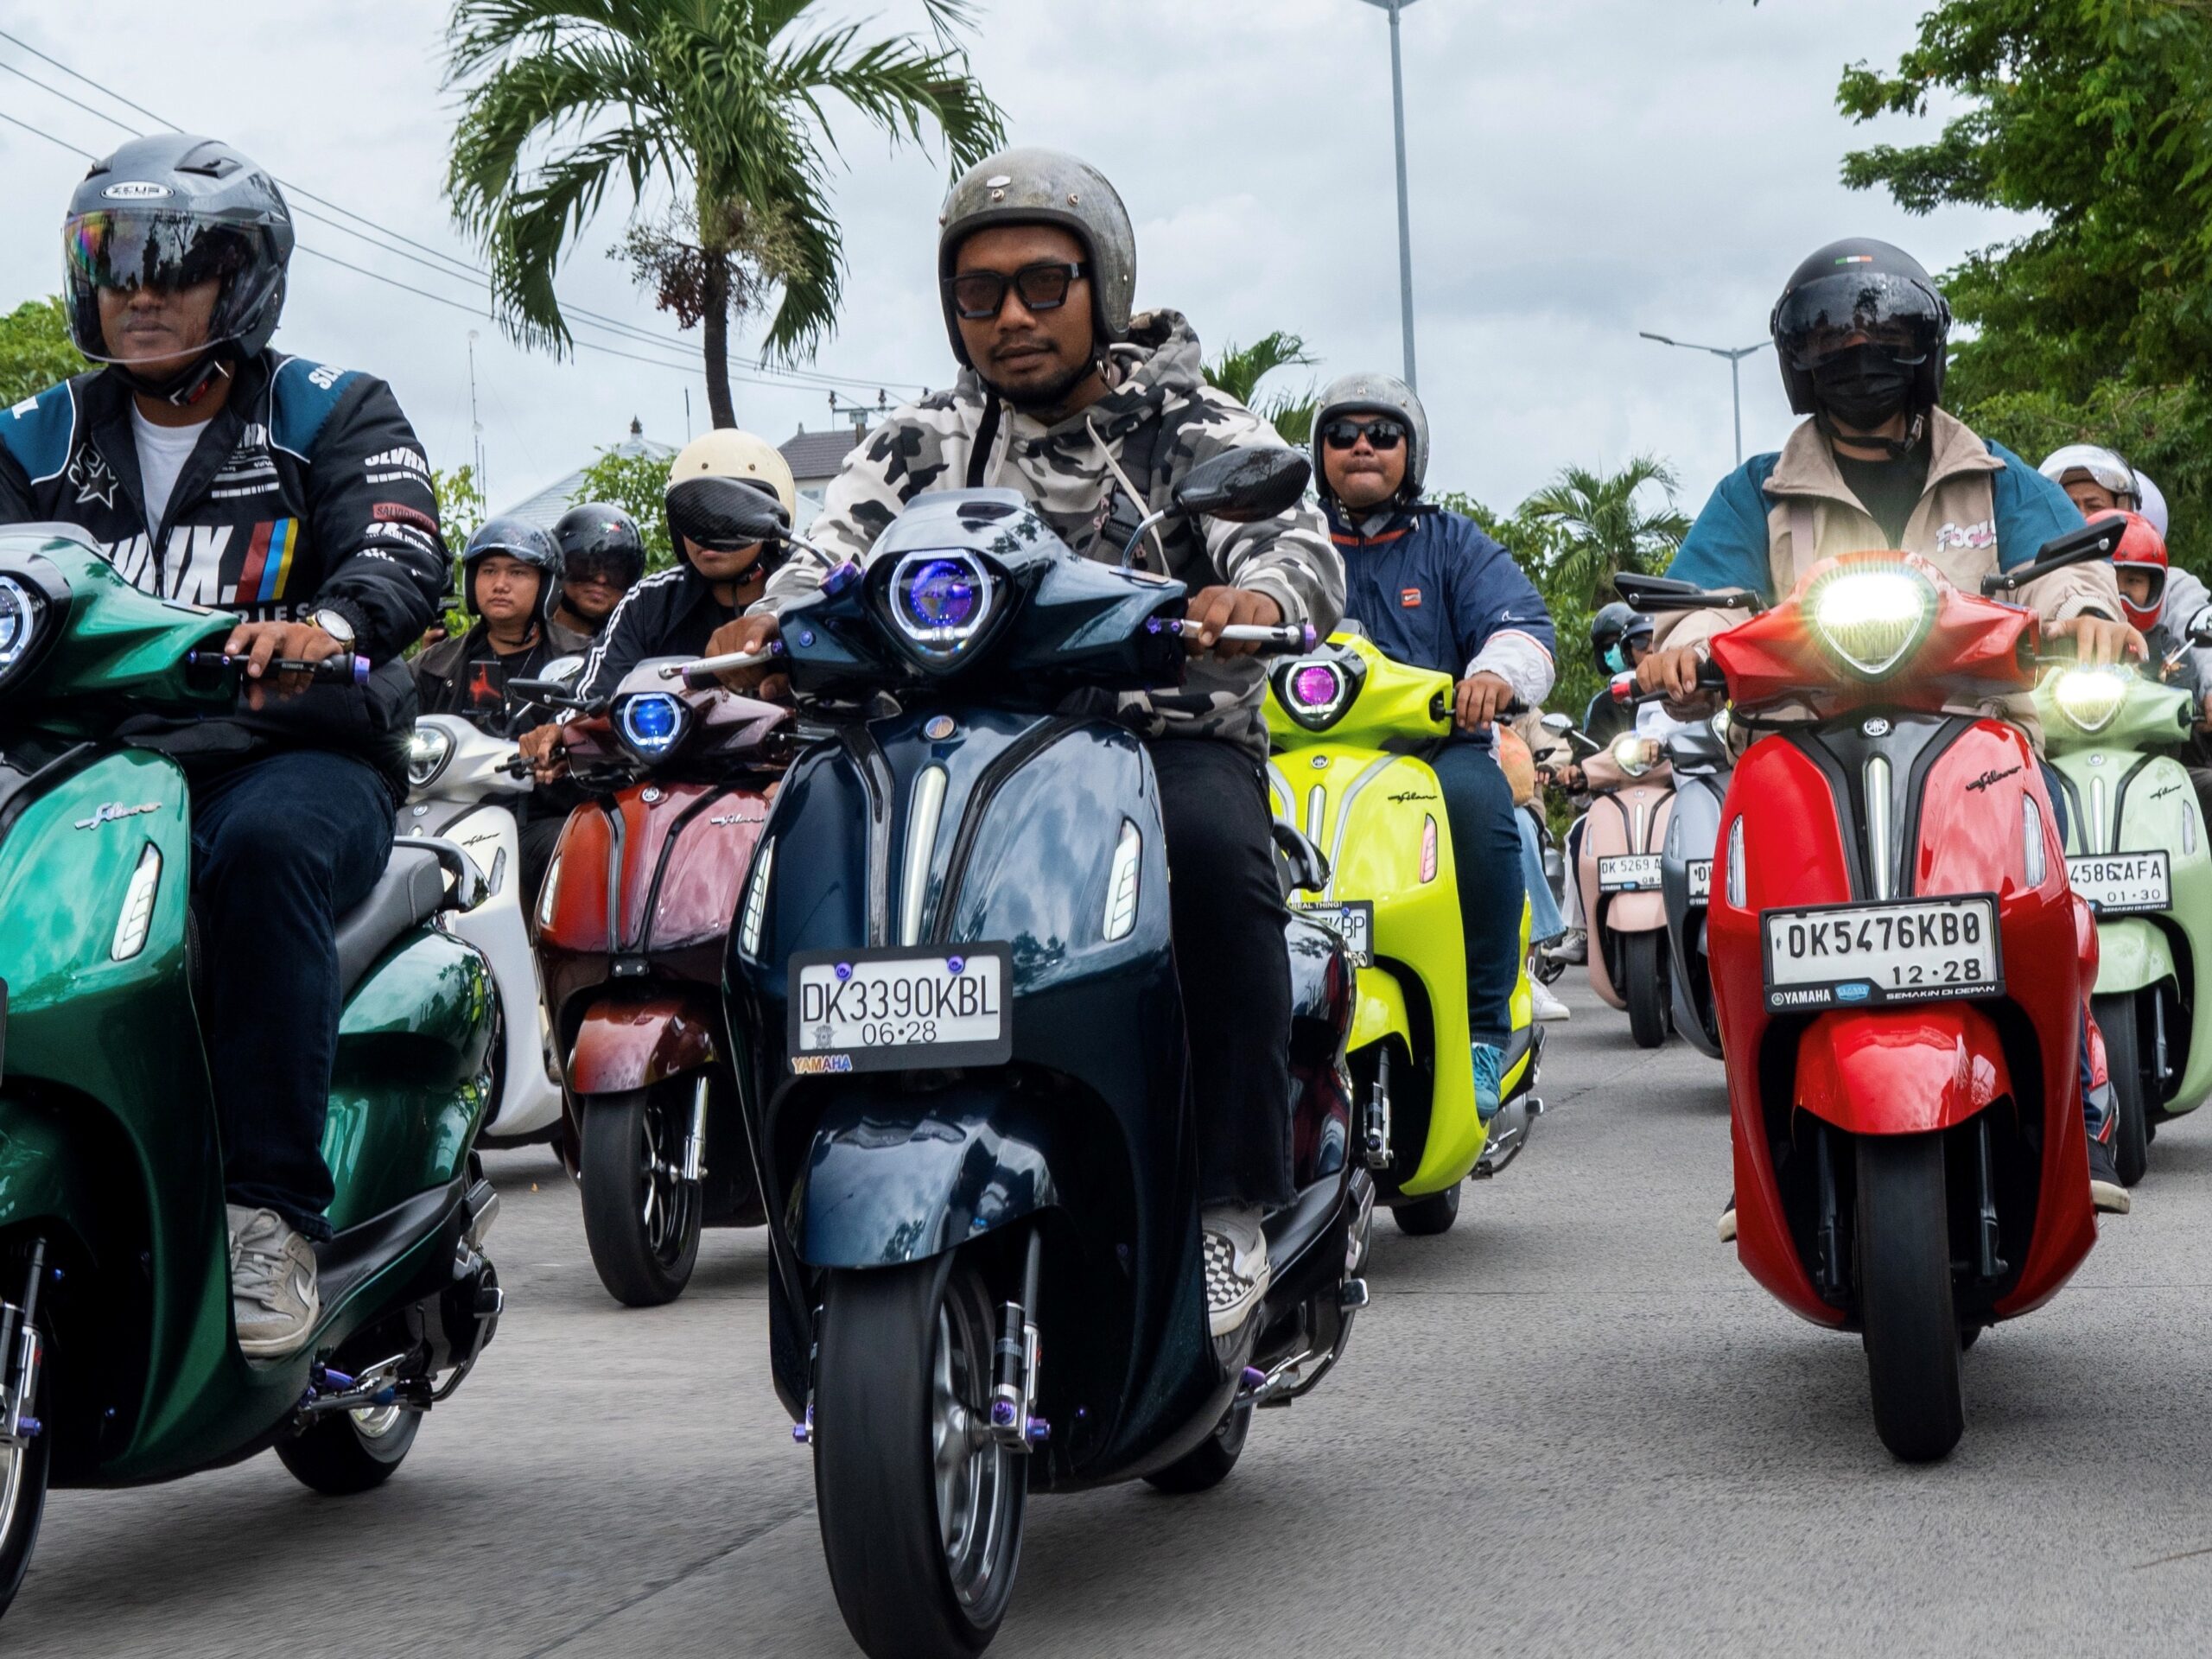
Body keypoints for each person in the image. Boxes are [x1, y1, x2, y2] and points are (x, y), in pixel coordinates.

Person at [702, 147, 1344, 1338]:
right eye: (979, 293)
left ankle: (1225, 1202)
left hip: (1152, 746)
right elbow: (823, 557)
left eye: (1043, 284)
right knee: (792, 878)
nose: (1010, 317)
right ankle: (803, 1178)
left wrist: (1250, 601)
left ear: (1104, 281)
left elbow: (1294, 547)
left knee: (1214, 864)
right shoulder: (923, 440)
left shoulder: (1197, 426)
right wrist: (768, 616)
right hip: (938, 755)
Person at [0, 134, 445, 1354]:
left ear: (242, 279)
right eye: (114, 262)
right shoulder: (32, 439)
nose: (140, 291)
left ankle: (271, 1217)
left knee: (262, 864)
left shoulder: (332, 410)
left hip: (284, 755)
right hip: (78, 762)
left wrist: (332, 623)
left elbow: (401, 547)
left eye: (177, 263)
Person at [1637, 237, 2136, 1220]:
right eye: (1834, 335)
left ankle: (2077, 1064)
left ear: (1927, 348)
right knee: (1748, 918)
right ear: (1797, 359)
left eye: (1886, 332)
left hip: (1971, 734)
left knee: (2046, 887)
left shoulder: (1992, 476)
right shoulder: (1756, 493)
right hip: (1799, 743)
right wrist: (1687, 648)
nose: (1860, 352)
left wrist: (2088, 615)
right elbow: (1695, 597)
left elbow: (2070, 568)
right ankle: (1766, 1120)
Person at [1311, 372, 1559, 1090]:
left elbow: (1523, 626)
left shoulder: (1452, 543)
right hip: (1304, 751)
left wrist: (1494, 676)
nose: (1362, 447)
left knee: (1480, 810)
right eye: (1343, 434)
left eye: (1382, 434)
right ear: (1319, 451)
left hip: (1430, 755)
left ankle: (1485, 1029)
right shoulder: (1290, 542)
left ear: (1410, 454)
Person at [415, 517, 567, 727]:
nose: (500, 585)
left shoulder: (584, 659)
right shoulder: (433, 666)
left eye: (517, 572)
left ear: (545, 585)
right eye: (489, 571)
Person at [547, 501, 647, 652]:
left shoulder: (633, 649)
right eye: (585, 565)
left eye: (615, 572)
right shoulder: (526, 637)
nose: (601, 579)